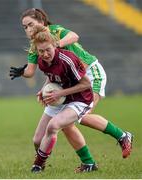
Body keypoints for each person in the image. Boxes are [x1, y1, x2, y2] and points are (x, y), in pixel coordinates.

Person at [10, 8, 133, 171]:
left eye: (30, 24)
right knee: (66, 122)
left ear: (42, 21)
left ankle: (122, 135)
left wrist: (56, 45)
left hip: (90, 74)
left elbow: (74, 36)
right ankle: (88, 163)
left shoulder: (54, 32)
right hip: (68, 81)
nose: (28, 29)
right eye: (24, 27)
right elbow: (32, 71)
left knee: (81, 115)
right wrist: (23, 73)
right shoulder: (36, 46)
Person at [28, 26, 98, 172]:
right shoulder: (42, 61)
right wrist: (44, 90)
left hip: (80, 98)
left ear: (54, 45)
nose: (45, 54)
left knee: (54, 126)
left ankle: (37, 166)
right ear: (37, 51)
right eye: (41, 51)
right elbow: (51, 76)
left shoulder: (67, 60)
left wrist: (59, 94)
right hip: (61, 97)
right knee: (37, 140)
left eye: (48, 49)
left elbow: (86, 84)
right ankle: (44, 158)